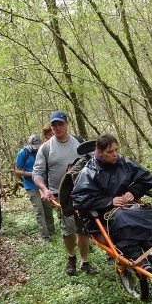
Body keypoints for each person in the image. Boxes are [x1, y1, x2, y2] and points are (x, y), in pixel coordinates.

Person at [70, 134, 152, 271]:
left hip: (127, 207)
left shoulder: (124, 163)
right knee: (124, 220)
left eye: (116, 150)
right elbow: (80, 198)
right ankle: (137, 259)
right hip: (103, 214)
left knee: (145, 213)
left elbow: (146, 179)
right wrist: (109, 201)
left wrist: (133, 191)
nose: (115, 154)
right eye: (110, 152)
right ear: (99, 152)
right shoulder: (89, 172)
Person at [32, 111, 96, 276]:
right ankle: (71, 257)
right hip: (60, 194)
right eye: (54, 125)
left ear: (67, 123)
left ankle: (85, 261)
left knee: (83, 228)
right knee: (68, 228)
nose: (58, 127)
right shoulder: (46, 148)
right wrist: (44, 189)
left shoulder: (80, 143)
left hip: (82, 191)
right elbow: (37, 173)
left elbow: (95, 162)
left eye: (61, 123)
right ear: (51, 127)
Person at [14, 134, 55, 241]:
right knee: (39, 211)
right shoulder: (23, 153)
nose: (36, 150)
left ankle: (52, 231)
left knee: (48, 208)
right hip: (31, 185)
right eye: (34, 147)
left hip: (44, 185)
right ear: (29, 144)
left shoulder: (44, 150)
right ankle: (45, 236)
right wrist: (32, 174)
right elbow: (17, 171)